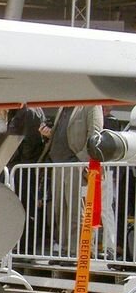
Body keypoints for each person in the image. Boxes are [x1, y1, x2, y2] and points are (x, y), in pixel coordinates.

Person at [43, 105, 103, 259]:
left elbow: (95, 135)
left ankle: (78, 251)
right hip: (58, 164)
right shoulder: (63, 106)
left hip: (76, 165)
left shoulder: (91, 105)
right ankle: (66, 250)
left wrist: (81, 161)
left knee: (77, 211)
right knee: (61, 210)